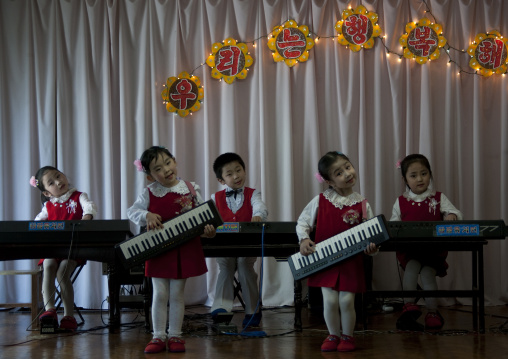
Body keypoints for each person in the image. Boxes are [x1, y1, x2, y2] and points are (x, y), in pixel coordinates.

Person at [127, 146, 216, 354]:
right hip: (158, 248)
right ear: (150, 177)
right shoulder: (149, 192)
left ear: (174, 161)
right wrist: (146, 216)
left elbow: (203, 218)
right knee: (159, 293)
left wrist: (208, 231)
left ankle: (176, 335)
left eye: (168, 163)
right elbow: (132, 211)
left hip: (184, 247)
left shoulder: (191, 188)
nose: (166, 169)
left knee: (177, 293)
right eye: (158, 168)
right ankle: (158, 335)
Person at [296, 151, 378, 352]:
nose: (348, 174)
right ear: (330, 182)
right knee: (330, 301)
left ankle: (348, 336)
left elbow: (372, 234)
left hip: (351, 263)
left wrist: (372, 247)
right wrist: (304, 239)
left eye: (348, 167)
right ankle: (333, 335)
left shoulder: (363, 204)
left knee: (347, 300)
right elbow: (302, 222)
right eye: (339, 173)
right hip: (326, 260)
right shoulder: (320, 200)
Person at [391, 154, 462, 331]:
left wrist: (451, 215)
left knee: (428, 274)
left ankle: (432, 312)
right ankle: (409, 306)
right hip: (411, 250)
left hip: (432, 250)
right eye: (413, 175)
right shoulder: (401, 201)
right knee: (412, 268)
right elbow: (393, 225)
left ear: (430, 174)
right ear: (405, 179)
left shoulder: (438, 197)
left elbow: (453, 212)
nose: (420, 179)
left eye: (424, 173)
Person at [30, 166, 97, 330]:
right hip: (53, 248)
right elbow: (36, 223)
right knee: (48, 265)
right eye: (51, 182)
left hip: (72, 248)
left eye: (59, 176)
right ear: (47, 193)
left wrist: (86, 218)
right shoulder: (48, 206)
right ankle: (50, 310)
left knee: (62, 272)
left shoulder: (78, 196)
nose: (59, 182)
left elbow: (89, 207)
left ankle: (69, 316)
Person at [209, 152, 268, 327]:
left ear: (244, 170)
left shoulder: (253, 193)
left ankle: (252, 310)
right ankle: (221, 308)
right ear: (221, 180)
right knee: (226, 266)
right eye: (229, 174)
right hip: (224, 244)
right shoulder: (215, 198)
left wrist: (258, 215)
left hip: (247, 243)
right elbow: (210, 218)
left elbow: (260, 206)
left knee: (244, 265)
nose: (236, 176)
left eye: (239, 170)